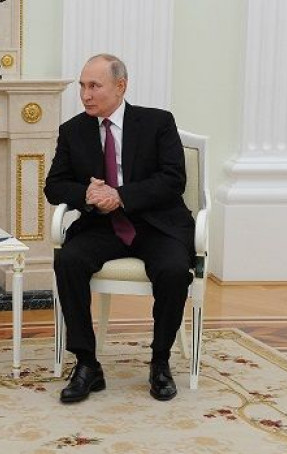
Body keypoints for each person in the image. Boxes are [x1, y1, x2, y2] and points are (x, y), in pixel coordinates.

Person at [44, 54, 194, 403]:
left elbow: (173, 179)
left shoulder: (157, 122)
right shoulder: (73, 131)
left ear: (120, 86)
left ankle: (160, 362)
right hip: (102, 226)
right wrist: (87, 194)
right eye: (82, 86)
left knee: (173, 270)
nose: (85, 95)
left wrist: (121, 196)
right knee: (68, 261)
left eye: (94, 86)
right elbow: (54, 186)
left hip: (156, 224)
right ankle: (87, 364)